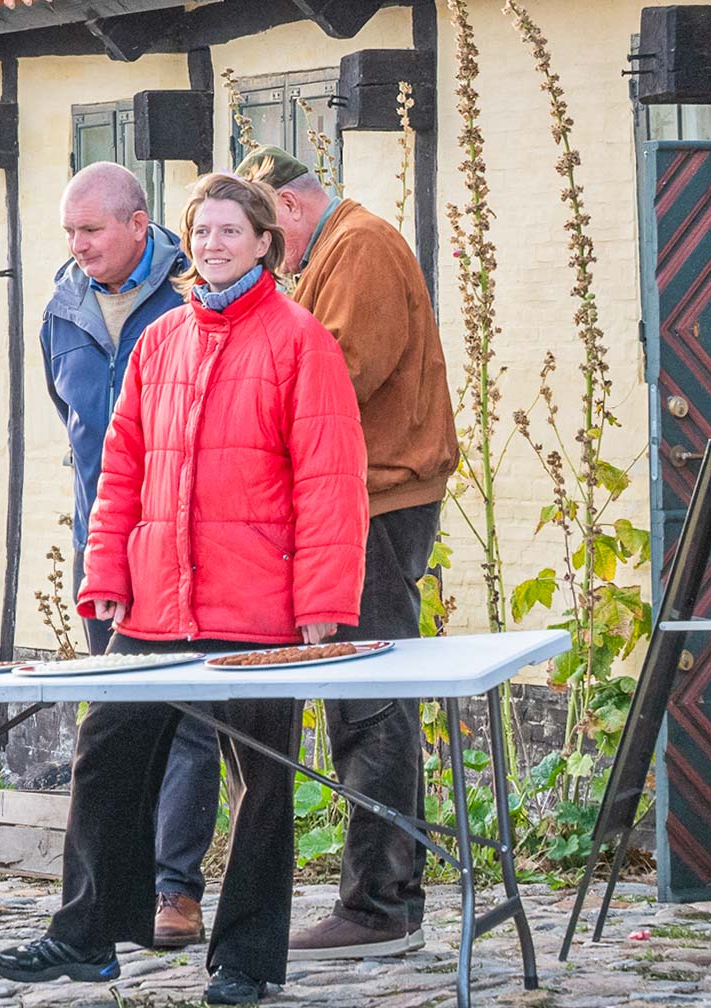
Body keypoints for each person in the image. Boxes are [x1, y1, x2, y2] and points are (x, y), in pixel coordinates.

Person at [0, 174, 369, 1005]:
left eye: (231, 231)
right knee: (107, 755)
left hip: (259, 608)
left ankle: (246, 958)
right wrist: (105, 575)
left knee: (263, 784)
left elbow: (331, 480)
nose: (213, 246)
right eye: (201, 232)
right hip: (158, 603)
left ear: (265, 241)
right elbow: (118, 468)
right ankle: (86, 934)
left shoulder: (301, 340)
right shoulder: (163, 339)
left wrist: (322, 606)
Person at [237, 146, 458, 960]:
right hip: (356, 497)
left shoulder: (357, 247)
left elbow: (332, 373)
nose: (265, 248)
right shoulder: (334, 248)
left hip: (381, 497)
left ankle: (380, 901)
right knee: (362, 690)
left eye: (264, 230)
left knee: (371, 696)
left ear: (290, 210)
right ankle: (378, 894)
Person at [41, 160, 218, 947]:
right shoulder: (62, 308)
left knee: (189, 719)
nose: (78, 246)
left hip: (187, 544)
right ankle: (118, 895)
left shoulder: (190, 295)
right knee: (113, 722)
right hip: (104, 544)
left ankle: (177, 889)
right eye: (70, 232)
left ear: (138, 225)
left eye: (91, 230)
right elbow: (78, 427)